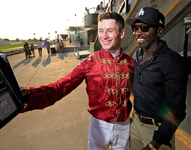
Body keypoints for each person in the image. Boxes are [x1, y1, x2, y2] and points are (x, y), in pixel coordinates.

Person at [21, 12, 134, 150]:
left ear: (121, 33)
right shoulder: (89, 62)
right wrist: (28, 96)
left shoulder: (131, 63)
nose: (104, 36)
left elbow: (140, 92)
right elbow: (61, 86)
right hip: (98, 125)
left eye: (110, 31)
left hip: (124, 124)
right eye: (100, 31)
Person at [126, 7, 188, 150]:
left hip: (157, 132)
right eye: (135, 28)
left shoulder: (173, 62)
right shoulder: (137, 54)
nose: (137, 32)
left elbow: (177, 110)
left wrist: (154, 145)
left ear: (159, 31)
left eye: (144, 27)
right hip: (135, 125)